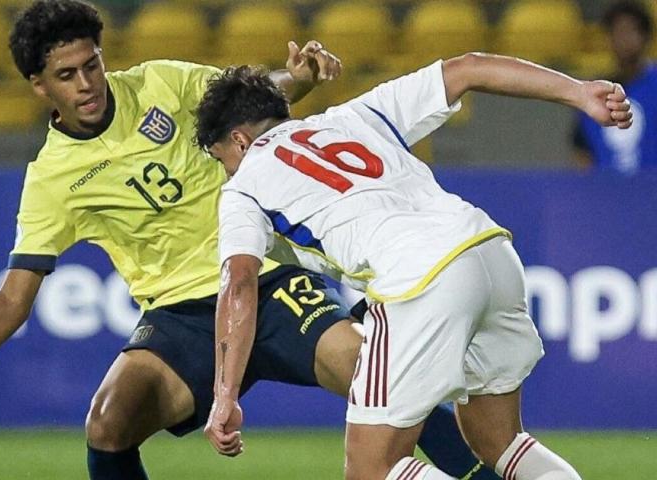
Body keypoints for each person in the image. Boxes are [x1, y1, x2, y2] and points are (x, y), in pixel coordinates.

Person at [0, 1, 501, 479]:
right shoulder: (51, 181)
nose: (87, 83)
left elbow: (249, 105)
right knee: (108, 423)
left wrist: (297, 77)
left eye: (92, 64)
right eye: (66, 75)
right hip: (180, 316)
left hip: (267, 280)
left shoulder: (160, 83)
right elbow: (14, 297)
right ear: (39, 86)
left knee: (381, 380)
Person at [195, 53, 632, 479]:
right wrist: (578, 92)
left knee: (372, 468)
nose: (227, 172)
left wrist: (224, 396)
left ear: (239, 141)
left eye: (221, 159)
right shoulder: (355, 116)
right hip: (489, 251)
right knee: (499, 441)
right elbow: (468, 68)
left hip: (419, 280)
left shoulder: (243, 188)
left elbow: (239, 283)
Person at [573, 0, 656, 174]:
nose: (623, 40)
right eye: (617, 32)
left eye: (630, 31)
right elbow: (583, 152)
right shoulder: (596, 92)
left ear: (645, 36)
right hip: (607, 189)